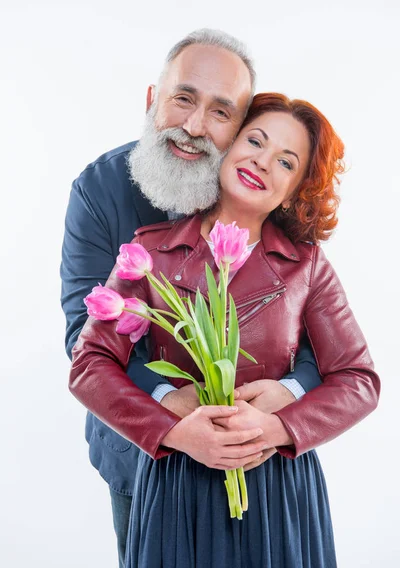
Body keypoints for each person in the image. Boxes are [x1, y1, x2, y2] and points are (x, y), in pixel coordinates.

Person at [70, 92, 380, 567]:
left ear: (295, 190)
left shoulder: (307, 266)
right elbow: (89, 365)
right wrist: (172, 430)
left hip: (277, 485)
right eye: (255, 140)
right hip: (177, 481)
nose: (262, 161)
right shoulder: (150, 251)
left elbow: (358, 378)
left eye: (285, 162)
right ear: (229, 145)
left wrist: (276, 427)